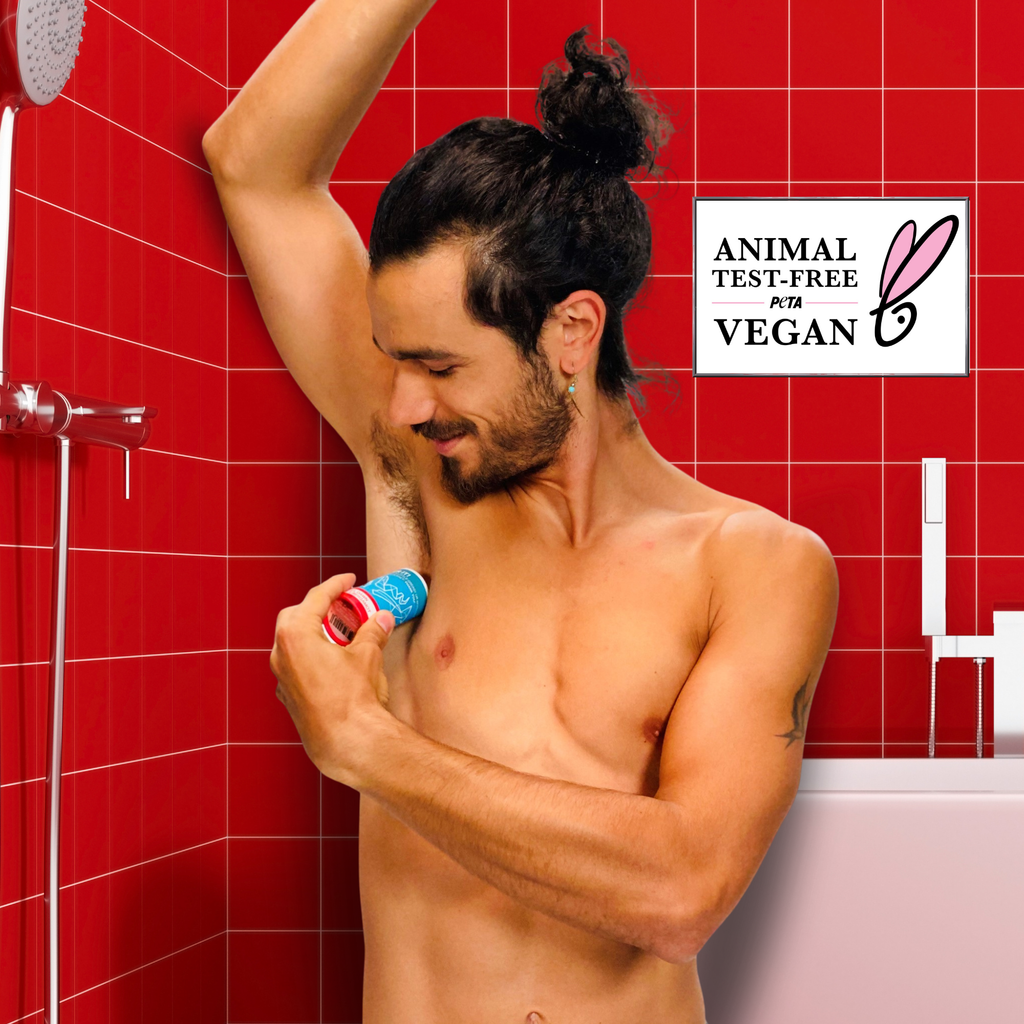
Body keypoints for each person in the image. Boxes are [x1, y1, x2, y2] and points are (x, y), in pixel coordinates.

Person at [203, 1, 839, 1021]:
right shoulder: (419, 477)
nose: (403, 403)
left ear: (572, 332)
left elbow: (679, 892)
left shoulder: (754, 565)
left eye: (441, 365)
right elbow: (255, 164)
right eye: (397, 359)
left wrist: (365, 742)